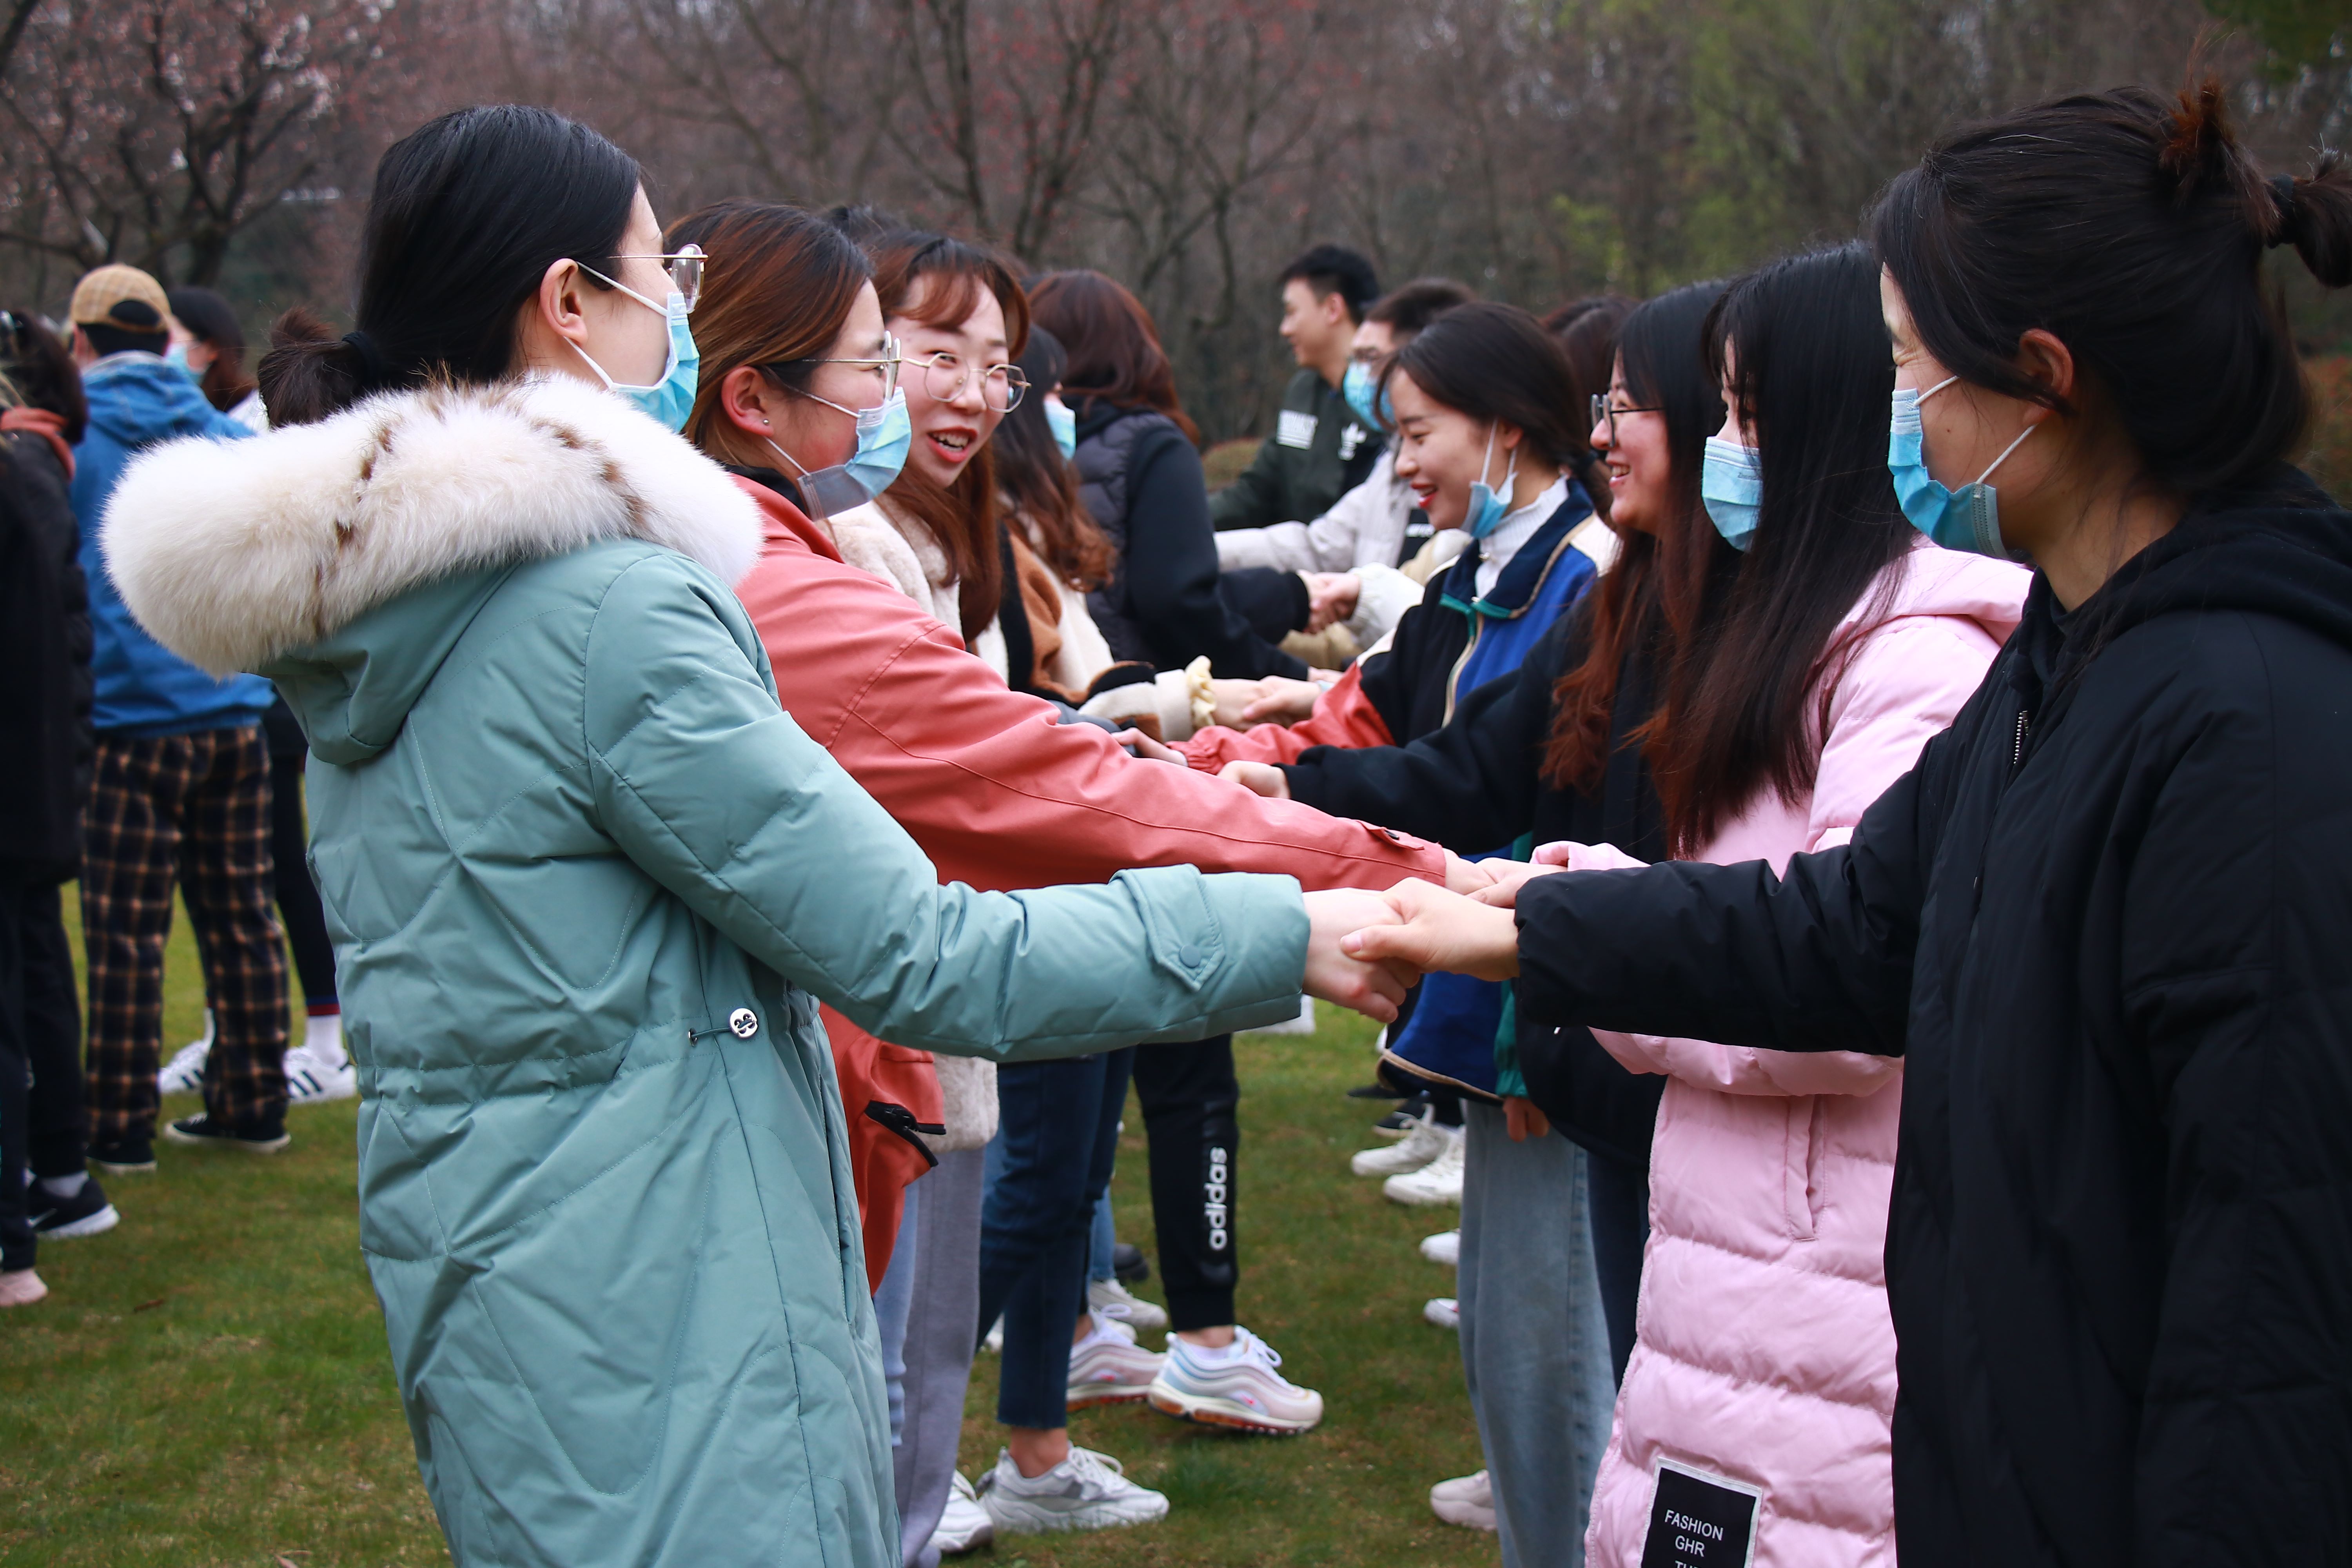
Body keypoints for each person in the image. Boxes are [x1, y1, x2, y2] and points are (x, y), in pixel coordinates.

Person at [103, 106, 1412, 1568]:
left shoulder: (380, 607)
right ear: (569, 303)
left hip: (513, 1291)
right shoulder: (606, 607)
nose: (675, 296)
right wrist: (1292, 930)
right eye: (656, 267)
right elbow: (924, 953)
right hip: (678, 1313)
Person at [1345, 85, 2352, 1567]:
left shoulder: (2244, 722)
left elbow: (2267, 1325)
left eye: (1902, 367)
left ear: (2041, 379)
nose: (1886, 411)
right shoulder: (2067, 658)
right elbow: (1857, 924)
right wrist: (1533, 927)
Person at [667, 197, 1460, 1549]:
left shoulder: (798, 547)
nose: (957, 398)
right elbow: (1020, 798)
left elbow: (1031, 760)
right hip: (843, 1075)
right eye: (895, 360)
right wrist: (1368, 883)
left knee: (890, 1404)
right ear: (752, 391)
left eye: (997, 364)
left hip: (850, 1080)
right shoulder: (767, 573)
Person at [65, 262, 286, 1171]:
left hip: (126, 717)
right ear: (167, 340)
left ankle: (117, 1122)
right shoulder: (220, 434)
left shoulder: (72, 440)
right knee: (242, 916)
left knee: (125, 928)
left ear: (80, 344)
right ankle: (255, 1098)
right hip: (232, 707)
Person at [1030, 268, 1309, 681]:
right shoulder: (1154, 447)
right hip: (1138, 697)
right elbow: (1178, 602)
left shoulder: (1021, 443)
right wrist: (1292, 676)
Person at [0, 310, 113, 1307]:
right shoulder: (41, 474)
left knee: (26, 982)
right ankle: (64, 1171)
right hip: (42, 766)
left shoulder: (18, 474)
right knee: (40, 968)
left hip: (28, 766)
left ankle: (18, 1230)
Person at [1214, 278, 1476, 661]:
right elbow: (1316, 546)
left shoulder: (1474, 515)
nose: (1357, 376)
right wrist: (1198, 552)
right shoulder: (1387, 466)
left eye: (1370, 359)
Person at [1212, 243, 1384, 530]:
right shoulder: (1302, 392)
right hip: (1302, 564)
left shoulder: (1389, 398)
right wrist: (1181, 520)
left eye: (1292, 312)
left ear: (1333, 309)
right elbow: (1258, 491)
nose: (1285, 329)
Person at [163, 285, 267, 430]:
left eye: (167, 337)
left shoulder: (256, 415)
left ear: (212, 348)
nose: (160, 349)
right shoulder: (163, 413)